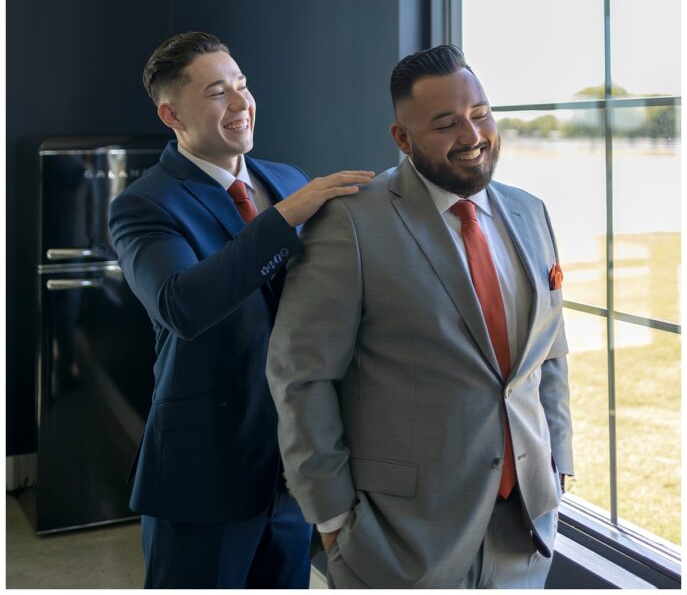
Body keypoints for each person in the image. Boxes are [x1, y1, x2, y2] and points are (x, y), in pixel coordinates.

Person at [267, 44, 573, 589]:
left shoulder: (531, 212)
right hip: (399, 539)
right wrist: (333, 517)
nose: (473, 136)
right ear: (402, 139)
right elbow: (302, 376)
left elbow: (549, 355)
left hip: (524, 527)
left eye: (480, 114)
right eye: (445, 124)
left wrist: (558, 459)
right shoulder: (349, 223)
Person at [108, 31, 373, 589]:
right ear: (171, 113)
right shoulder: (143, 205)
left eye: (243, 85)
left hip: (294, 473)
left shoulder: (288, 179)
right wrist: (287, 217)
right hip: (203, 476)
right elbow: (181, 303)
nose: (241, 103)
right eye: (217, 92)